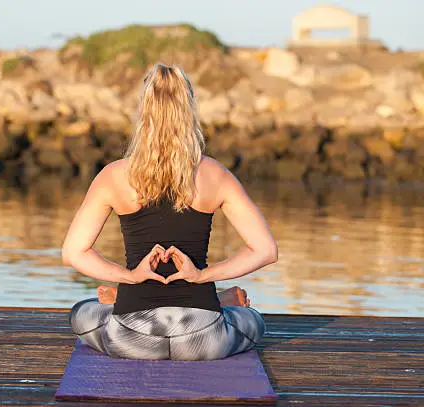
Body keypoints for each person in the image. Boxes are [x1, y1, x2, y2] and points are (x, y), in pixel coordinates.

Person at [61, 62, 278, 361]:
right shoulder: (215, 174)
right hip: (203, 337)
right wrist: (202, 276)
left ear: (142, 111)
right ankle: (218, 301)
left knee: (81, 313)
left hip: (133, 336)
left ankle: (120, 298)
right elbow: (265, 250)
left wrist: (130, 277)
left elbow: (73, 253)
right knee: (254, 321)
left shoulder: (113, 176)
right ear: (189, 110)